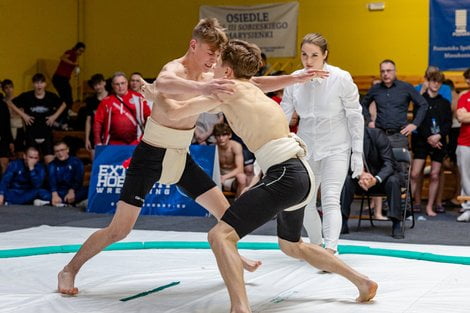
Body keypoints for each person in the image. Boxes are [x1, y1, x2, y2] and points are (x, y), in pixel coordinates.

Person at [57, 18, 322, 295]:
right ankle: (69, 270)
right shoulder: (174, 69)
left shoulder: (212, 76)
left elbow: (251, 83)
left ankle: (232, 257)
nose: (213, 61)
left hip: (182, 155)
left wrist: (293, 79)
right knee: (119, 230)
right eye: (210, 53)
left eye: (218, 56)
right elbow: (164, 84)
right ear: (194, 45)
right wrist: (202, 89)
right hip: (151, 155)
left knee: (227, 217)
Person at [159, 39, 377, 311]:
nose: (212, 69)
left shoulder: (228, 90)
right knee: (291, 246)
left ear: (227, 72)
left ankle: (240, 308)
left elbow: (175, 109)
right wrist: (295, 78)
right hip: (300, 171)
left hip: (285, 173)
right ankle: (362, 282)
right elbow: (261, 83)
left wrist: (153, 91)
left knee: (219, 236)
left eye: (217, 65)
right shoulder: (249, 86)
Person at [281, 33, 364, 254]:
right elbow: (282, 116)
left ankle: (331, 249)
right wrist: (271, 148)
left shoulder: (341, 78)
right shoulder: (295, 80)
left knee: (330, 198)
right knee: (304, 201)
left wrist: (358, 153)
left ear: (325, 55)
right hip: (307, 146)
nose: (308, 61)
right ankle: (317, 246)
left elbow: (355, 116)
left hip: (337, 145)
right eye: (304, 55)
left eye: (314, 55)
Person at [341, 128, 404, 238]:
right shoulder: (345, 138)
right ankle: (343, 221)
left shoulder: (378, 135)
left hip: (382, 180)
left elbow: (389, 163)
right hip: (361, 180)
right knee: (346, 181)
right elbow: (344, 163)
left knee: (393, 180)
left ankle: (396, 223)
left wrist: (375, 179)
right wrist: (361, 175)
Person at [410, 71, 452, 217]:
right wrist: (429, 137)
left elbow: (448, 123)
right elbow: (417, 121)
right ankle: (409, 205)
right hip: (422, 140)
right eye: (433, 81)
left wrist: (439, 136)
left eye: (439, 82)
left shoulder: (444, 102)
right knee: (415, 174)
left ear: (441, 84)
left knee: (435, 175)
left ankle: (429, 206)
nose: (436, 84)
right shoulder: (420, 100)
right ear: (427, 82)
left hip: (439, 142)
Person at [362, 59, 428, 149]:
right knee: (380, 163)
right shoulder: (375, 89)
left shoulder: (406, 87)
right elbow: (363, 104)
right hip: (380, 135)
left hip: (399, 136)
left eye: (388, 71)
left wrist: (415, 124)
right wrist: (369, 121)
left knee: (399, 162)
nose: (385, 74)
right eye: (382, 71)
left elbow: (423, 104)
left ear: (395, 72)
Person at [7, 73, 67, 164]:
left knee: (50, 163)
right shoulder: (27, 96)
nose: (39, 85)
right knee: (31, 163)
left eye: (41, 83)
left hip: (46, 133)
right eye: (36, 83)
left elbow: (64, 104)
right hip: (31, 134)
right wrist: (23, 115)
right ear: (33, 84)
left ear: (45, 84)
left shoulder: (51, 96)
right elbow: (10, 103)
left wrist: (54, 116)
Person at [93, 72, 151, 146]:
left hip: (136, 143)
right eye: (117, 84)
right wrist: (98, 141)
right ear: (112, 86)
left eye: (122, 83)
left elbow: (149, 119)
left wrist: (145, 139)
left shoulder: (139, 99)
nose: (120, 86)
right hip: (112, 144)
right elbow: (98, 122)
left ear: (127, 83)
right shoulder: (106, 101)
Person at [45, 141, 87, 206]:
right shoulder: (52, 165)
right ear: (54, 153)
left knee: (89, 190)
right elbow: (52, 181)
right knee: (40, 192)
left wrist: (72, 191)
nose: (60, 153)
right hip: (59, 191)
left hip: (74, 191)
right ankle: (70, 202)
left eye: (62, 150)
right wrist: (54, 194)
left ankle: (57, 202)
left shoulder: (76, 162)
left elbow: (78, 180)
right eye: (57, 151)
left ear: (67, 150)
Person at [52, 42, 86, 124]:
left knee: (66, 98)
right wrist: (73, 64)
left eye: (82, 52)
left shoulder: (75, 57)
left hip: (64, 79)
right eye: (80, 51)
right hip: (60, 78)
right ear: (76, 48)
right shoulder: (71, 52)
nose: (80, 53)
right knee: (68, 99)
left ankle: (63, 114)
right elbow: (62, 58)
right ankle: (64, 113)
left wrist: (75, 68)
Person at [213, 123, 246, 197]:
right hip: (218, 177)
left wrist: (225, 177)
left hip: (232, 178)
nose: (221, 138)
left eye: (224, 135)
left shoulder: (236, 146)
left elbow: (240, 169)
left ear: (230, 135)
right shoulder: (213, 148)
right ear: (215, 137)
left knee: (242, 178)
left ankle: (238, 204)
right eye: (218, 135)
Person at [455, 70, 470, 222]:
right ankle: (467, 209)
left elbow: (466, 116)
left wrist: (468, 115)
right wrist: (465, 116)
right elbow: (461, 117)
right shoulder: (464, 96)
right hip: (465, 143)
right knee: (465, 177)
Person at [84, 74, 108, 156]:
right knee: (95, 163)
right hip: (94, 135)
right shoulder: (90, 101)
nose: (97, 87)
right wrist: (87, 139)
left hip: (109, 135)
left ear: (104, 83)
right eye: (95, 85)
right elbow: (88, 120)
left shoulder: (113, 98)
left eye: (99, 84)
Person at [0, 88, 14, 174]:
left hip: (3, 140)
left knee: (4, 164)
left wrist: (11, 141)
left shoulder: (3, 104)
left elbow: (7, 125)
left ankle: (2, 186)